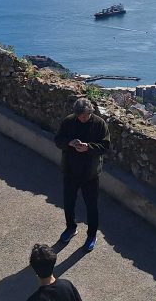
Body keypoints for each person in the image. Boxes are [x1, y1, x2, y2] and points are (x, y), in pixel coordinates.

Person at [54, 96, 110, 252]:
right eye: (81, 116)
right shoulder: (69, 121)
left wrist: (88, 147)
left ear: (91, 111)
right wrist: (69, 143)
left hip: (90, 173)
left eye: (86, 115)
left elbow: (105, 147)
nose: (83, 118)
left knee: (91, 206)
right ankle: (71, 228)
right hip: (70, 170)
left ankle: (92, 235)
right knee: (68, 202)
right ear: (76, 114)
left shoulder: (99, 124)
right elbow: (58, 140)